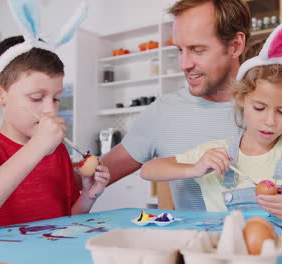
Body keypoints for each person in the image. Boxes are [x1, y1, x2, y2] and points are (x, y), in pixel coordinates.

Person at [141, 7, 282, 222]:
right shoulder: (217, 153)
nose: (270, 121)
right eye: (259, 108)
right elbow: (148, 170)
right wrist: (195, 168)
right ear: (241, 99)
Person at [0, 1, 109, 234]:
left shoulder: (56, 152)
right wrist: (36, 148)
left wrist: (87, 197)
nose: (50, 110)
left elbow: (65, 221)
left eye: (56, 98)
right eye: (36, 97)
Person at [101, 0, 252, 211]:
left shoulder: (274, 108)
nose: (184, 64)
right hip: (195, 242)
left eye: (197, 50)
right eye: (180, 50)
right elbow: (94, 175)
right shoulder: (163, 112)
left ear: (235, 45)